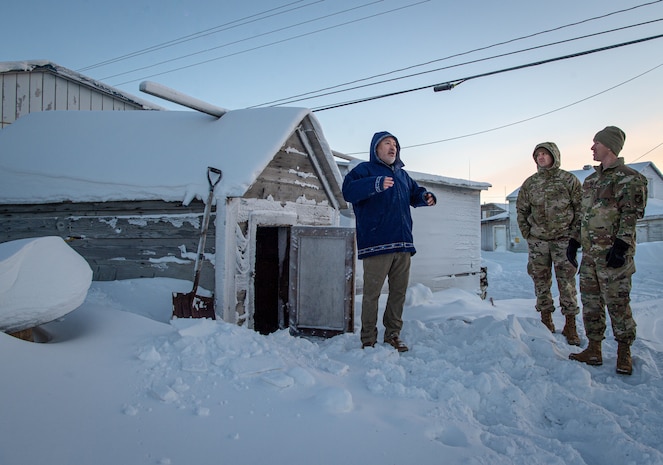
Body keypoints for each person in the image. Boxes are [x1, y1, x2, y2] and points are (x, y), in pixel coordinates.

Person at [342, 131, 436, 352]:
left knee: (398, 293)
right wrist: (375, 184)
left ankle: (393, 335)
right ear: (376, 148)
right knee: (372, 295)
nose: (392, 147)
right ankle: (368, 339)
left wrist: (425, 197)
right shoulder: (364, 171)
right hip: (377, 244)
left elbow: (416, 193)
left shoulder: (403, 176)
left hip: (402, 244)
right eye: (387, 143)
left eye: (395, 144)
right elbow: (348, 191)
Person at [568, 126, 648, 375]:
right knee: (591, 302)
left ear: (610, 146)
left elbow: (631, 215)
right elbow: (583, 215)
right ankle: (594, 349)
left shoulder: (630, 177)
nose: (592, 148)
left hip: (614, 254)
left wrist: (621, 246)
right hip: (590, 255)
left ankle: (624, 351)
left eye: (596, 144)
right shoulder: (591, 181)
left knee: (617, 303)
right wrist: (574, 241)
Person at [516, 142, 582, 346]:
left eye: (545, 154)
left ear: (554, 156)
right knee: (540, 281)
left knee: (567, 284)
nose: (541, 158)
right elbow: (521, 210)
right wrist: (529, 234)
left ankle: (570, 324)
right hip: (539, 243)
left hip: (563, 241)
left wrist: (575, 237)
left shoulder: (568, 180)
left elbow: (581, 209)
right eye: (538, 155)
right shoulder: (530, 184)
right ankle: (546, 320)